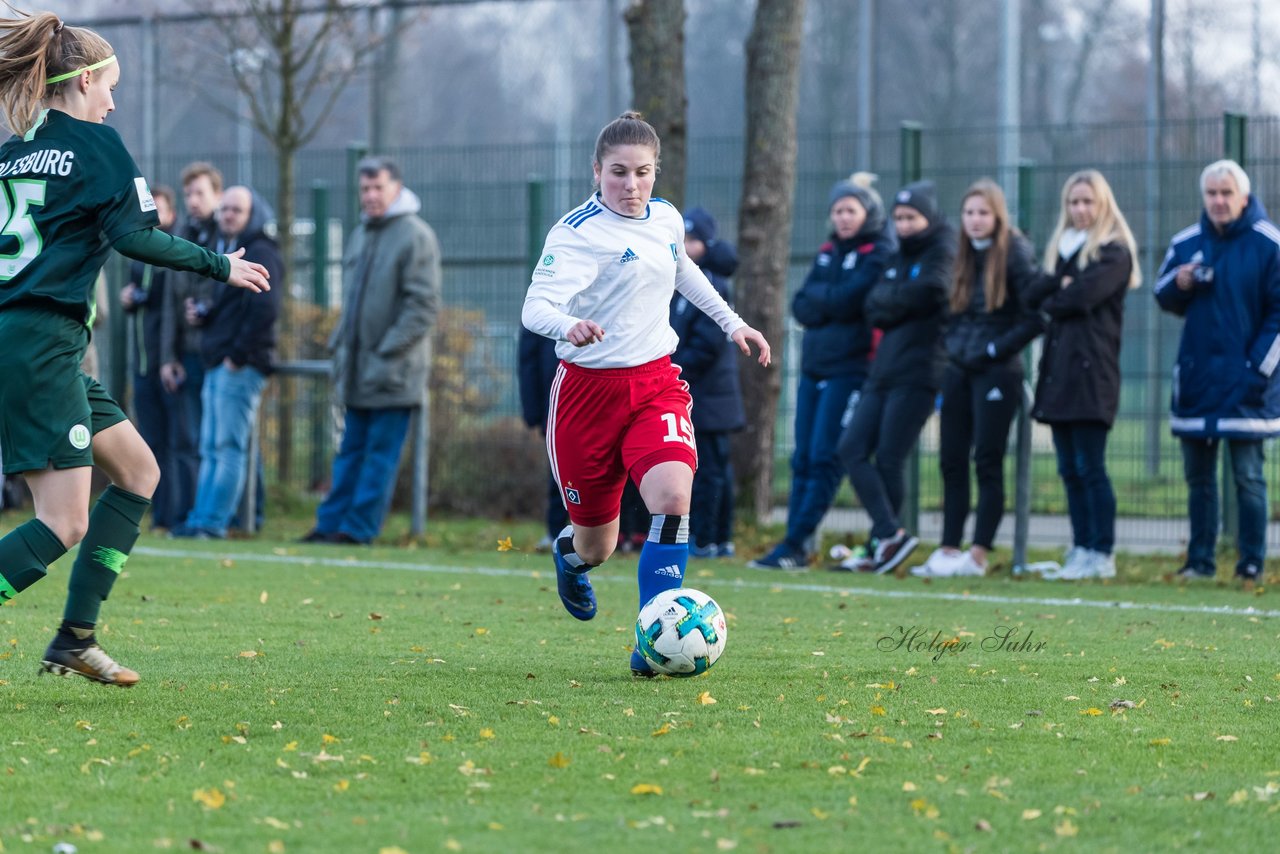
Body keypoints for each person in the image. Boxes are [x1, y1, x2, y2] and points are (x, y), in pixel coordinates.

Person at [0, 9, 270, 686]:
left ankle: (75, 636)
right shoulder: (99, 147)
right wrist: (221, 265)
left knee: (140, 471)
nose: (113, 100)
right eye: (109, 85)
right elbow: (136, 239)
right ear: (83, 80)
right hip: (43, 343)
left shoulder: (11, 153)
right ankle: (73, 634)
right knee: (62, 522)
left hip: (29, 339)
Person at [521, 111, 770, 677]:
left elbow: (684, 273)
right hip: (586, 396)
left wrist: (734, 324)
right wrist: (568, 326)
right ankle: (570, 557)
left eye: (642, 173)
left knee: (673, 499)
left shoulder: (665, 218)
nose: (631, 186)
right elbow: (534, 309)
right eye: (618, 174)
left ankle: (652, 641)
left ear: (656, 171)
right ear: (596, 171)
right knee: (597, 547)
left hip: (655, 382)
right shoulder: (576, 232)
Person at [751, 173, 893, 570]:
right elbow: (801, 304)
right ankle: (793, 543)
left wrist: (827, 303)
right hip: (815, 369)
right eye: (837, 210)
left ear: (868, 212)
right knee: (803, 459)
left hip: (851, 370)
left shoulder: (877, 251)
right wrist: (831, 302)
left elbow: (852, 302)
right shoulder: (828, 250)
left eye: (851, 209)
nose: (843, 217)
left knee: (825, 457)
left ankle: (797, 542)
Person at [300, 156, 440, 545]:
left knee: (378, 457)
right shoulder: (362, 232)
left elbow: (423, 307)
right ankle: (329, 525)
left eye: (378, 187)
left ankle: (358, 530)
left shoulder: (416, 235)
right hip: (358, 369)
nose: (371, 196)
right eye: (365, 189)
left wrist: (384, 352)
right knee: (348, 452)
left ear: (396, 188)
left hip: (393, 373)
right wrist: (341, 345)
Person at [1154, 159, 1279, 585]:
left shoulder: (1269, 244)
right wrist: (1181, 283)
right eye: (1212, 193)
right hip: (1197, 381)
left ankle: (1250, 564)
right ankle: (1200, 562)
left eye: (1227, 193)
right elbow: (1161, 293)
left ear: (1244, 197)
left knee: (1248, 476)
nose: (1219, 201)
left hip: (1248, 385)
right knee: (1198, 479)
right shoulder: (1186, 242)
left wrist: (1256, 368)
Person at [914, 179, 1042, 578]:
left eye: (983, 212)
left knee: (987, 461)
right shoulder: (961, 255)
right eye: (969, 212)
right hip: (959, 371)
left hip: (998, 373)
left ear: (998, 215)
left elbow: (1036, 316)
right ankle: (949, 550)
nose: (975, 220)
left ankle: (979, 555)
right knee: (951, 461)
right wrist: (956, 348)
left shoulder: (1016, 253)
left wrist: (993, 351)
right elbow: (949, 317)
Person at [837, 181, 956, 574]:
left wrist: (896, 297)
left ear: (928, 218)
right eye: (899, 218)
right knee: (852, 448)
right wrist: (902, 298)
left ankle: (883, 541)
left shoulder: (943, 249)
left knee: (889, 458)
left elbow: (936, 290)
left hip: (920, 371)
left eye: (911, 218)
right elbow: (874, 305)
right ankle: (889, 534)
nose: (904, 226)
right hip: (883, 370)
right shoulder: (897, 255)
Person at [1026, 170, 1139, 580]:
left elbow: (1078, 297)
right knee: (1069, 469)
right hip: (1058, 376)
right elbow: (1034, 293)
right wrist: (1059, 283)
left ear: (1103, 204)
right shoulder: (1062, 251)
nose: (1080, 209)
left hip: (1093, 377)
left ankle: (1101, 552)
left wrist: (1058, 291)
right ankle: (1080, 549)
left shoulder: (1114, 252)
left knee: (1091, 466)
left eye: (1088, 201)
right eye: (1074, 202)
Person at [171, 186, 282, 539]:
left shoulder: (263, 251)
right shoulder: (228, 250)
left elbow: (265, 308)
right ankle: (201, 518)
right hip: (220, 361)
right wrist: (206, 314)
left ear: (253, 215)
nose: (228, 215)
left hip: (238, 365)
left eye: (237, 210)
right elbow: (234, 309)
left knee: (229, 447)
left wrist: (238, 355)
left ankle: (213, 523)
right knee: (211, 446)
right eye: (226, 209)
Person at [670, 206, 745, 559]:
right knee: (708, 467)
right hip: (696, 393)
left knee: (712, 469)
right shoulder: (679, 284)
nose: (686, 246)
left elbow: (707, 344)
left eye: (692, 240)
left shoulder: (711, 285)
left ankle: (710, 537)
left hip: (710, 395)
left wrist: (671, 369)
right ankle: (711, 537)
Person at [159, 161, 224, 525]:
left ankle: (244, 515)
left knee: (222, 442)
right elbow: (170, 303)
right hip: (188, 356)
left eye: (200, 192)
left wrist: (208, 309)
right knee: (188, 440)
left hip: (218, 354)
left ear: (217, 193)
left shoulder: (228, 232)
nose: (193, 200)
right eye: (188, 194)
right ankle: (190, 514)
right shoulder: (181, 233)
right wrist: (169, 357)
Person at [120, 183, 182, 529]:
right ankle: (159, 515)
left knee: (177, 443)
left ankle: (175, 514)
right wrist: (127, 299)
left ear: (171, 214)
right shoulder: (137, 254)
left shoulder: (173, 255)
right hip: (142, 366)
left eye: (160, 211)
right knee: (151, 443)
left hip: (165, 365)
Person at [518, 324, 569, 551]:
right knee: (560, 471)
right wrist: (534, 411)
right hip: (555, 404)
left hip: (598, 398)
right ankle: (556, 532)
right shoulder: (541, 305)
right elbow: (528, 361)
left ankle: (614, 534)